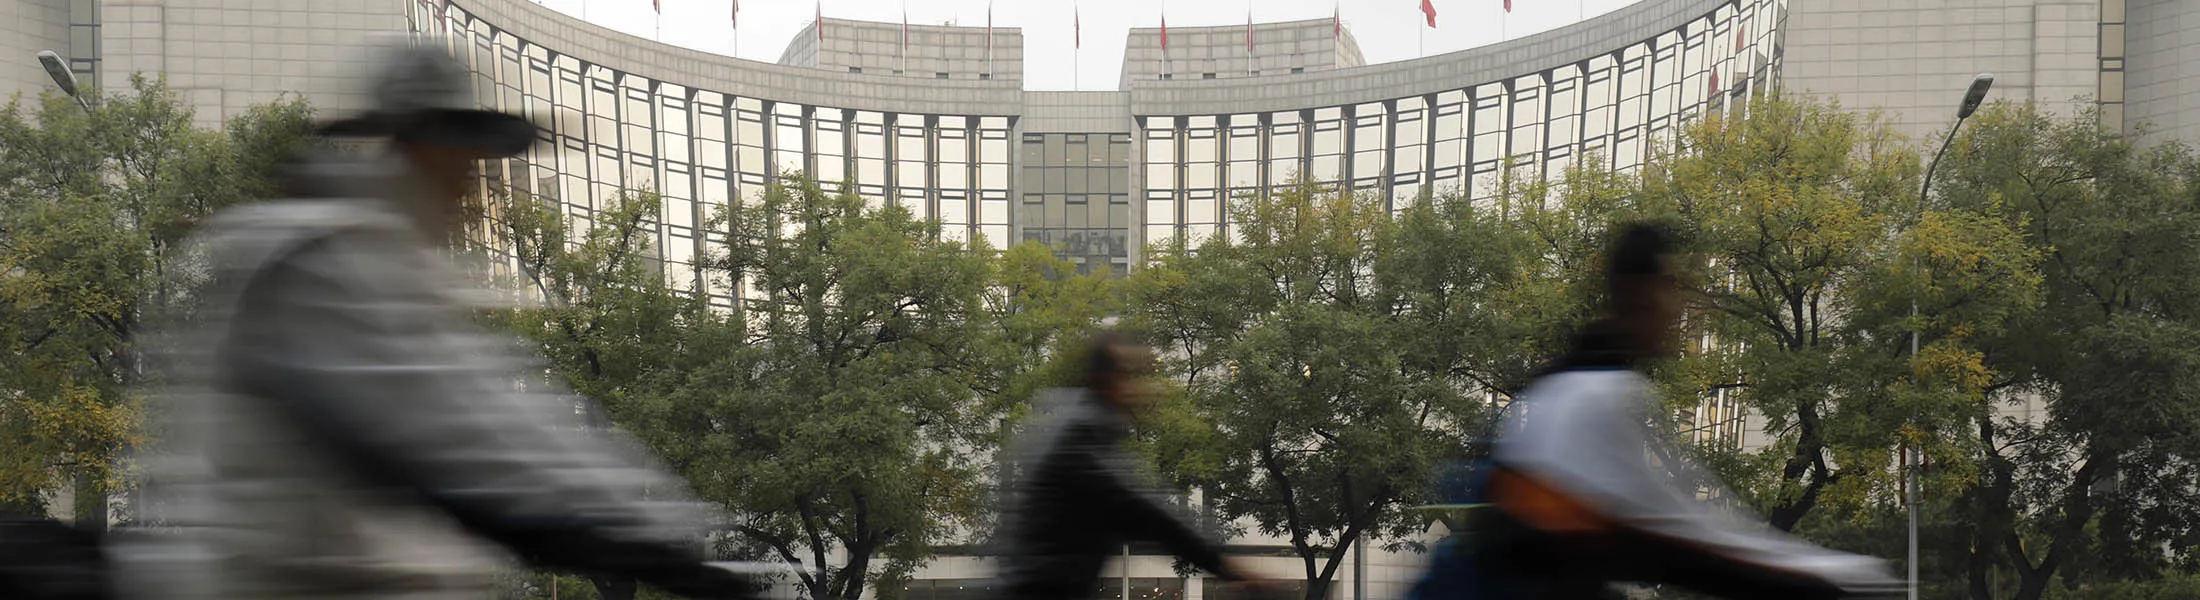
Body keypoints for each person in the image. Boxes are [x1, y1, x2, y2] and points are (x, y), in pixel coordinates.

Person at [116, 39, 754, 600]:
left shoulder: (387, 265)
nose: (476, 181)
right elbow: (434, 435)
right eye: (469, 157)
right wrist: (609, 535)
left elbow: (496, 415)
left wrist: (645, 525)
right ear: (425, 147)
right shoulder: (324, 261)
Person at [1468, 224, 1902, 599]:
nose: (1681, 307)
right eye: (1673, 287)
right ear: (1638, 291)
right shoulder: (1592, 397)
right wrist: (1851, 580)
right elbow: (1695, 543)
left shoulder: (1566, 387)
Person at [993, 330, 1269, 600]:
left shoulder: (1076, 430)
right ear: (1106, 382)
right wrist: (1234, 571)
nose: (1139, 389)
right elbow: (1154, 519)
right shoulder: (1081, 446)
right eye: (1129, 377)